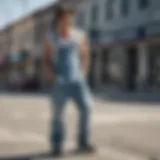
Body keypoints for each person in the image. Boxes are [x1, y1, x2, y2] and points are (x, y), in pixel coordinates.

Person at [42, 6, 94, 157]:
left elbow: (85, 54)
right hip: (60, 80)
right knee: (58, 115)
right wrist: (51, 76)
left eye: (70, 18)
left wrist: (83, 72)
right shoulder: (50, 38)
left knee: (87, 107)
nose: (68, 20)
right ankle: (57, 146)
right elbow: (45, 60)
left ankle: (83, 142)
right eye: (64, 17)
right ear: (58, 19)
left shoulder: (79, 35)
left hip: (77, 80)